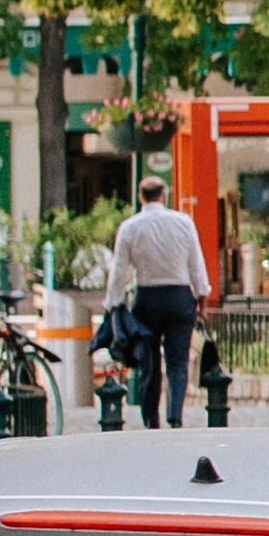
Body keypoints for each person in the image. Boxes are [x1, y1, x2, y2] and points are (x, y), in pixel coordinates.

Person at [104, 177, 209, 428]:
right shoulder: (184, 223)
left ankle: (151, 418)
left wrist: (113, 305)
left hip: (147, 298)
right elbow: (197, 264)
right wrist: (201, 299)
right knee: (178, 361)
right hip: (179, 297)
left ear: (141, 197)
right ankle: (175, 416)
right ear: (164, 194)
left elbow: (119, 272)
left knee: (149, 363)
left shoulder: (130, 227)